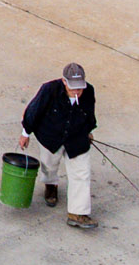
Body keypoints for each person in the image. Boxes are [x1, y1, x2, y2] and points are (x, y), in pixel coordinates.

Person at [20, 62, 98, 226]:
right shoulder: (49, 89)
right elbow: (34, 111)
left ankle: (77, 213)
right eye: (73, 87)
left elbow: (90, 113)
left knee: (81, 174)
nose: (77, 91)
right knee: (49, 165)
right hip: (50, 137)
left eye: (80, 87)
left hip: (77, 138)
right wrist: (25, 133)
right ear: (64, 81)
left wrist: (89, 131)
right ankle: (50, 184)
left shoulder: (89, 91)